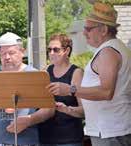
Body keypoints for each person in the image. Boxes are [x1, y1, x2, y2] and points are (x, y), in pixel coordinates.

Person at [47, 2, 131, 146]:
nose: (84, 33)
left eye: (88, 29)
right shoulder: (111, 49)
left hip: (109, 132)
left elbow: (106, 92)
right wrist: (67, 109)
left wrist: (70, 89)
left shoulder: (108, 52)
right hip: (109, 131)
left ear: (104, 29)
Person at [0, 32, 39, 146]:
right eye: (2, 54)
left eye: (11, 53)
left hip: (26, 142)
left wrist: (30, 120)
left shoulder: (34, 75)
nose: (7, 57)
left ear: (22, 52)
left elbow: (49, 110)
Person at [38, 34, 84, 146]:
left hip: (69, 139)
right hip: (45, 137)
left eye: (56, 50)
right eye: (49, 50)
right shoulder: (45, 71)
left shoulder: (76, 73)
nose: (51, 53)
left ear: (67, 51)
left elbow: (84, 111)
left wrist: (66, 109)